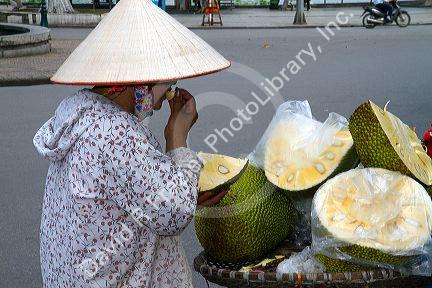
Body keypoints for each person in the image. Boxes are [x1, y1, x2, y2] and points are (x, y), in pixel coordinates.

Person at [33, 0, 230, 287]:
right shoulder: (114, 134)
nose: (170, 93)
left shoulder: (80, 114)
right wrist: (177, 138)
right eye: (168, 83)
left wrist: (182, 188)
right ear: (140, 84)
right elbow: (174, 212)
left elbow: (125, 197)